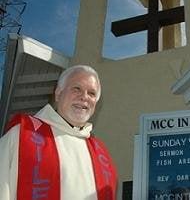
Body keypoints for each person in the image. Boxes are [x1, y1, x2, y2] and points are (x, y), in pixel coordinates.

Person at [0, 65, 118, 200]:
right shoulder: (21, 135)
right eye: (76, 89)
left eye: (91, 93)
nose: (84, 97)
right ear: (58, 93)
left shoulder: (101, 154)